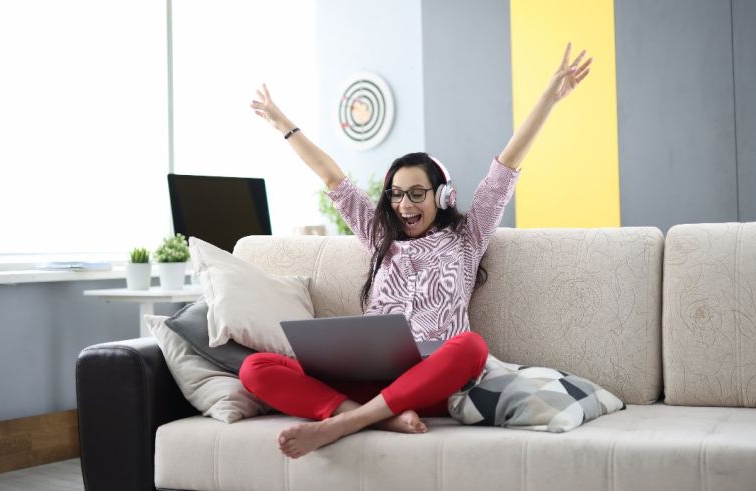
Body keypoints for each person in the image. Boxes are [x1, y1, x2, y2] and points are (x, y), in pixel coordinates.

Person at [240, 43, 592, 459]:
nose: (405, 205)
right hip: (368, 381)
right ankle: (378, 417)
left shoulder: (467, 236)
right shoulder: (378, 237)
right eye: (396, 195)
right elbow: (331, 175)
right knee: (254, 368)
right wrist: (283, 123)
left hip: (430, 386)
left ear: (442, 196)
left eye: (416, 193)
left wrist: (549, 98)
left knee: (471, 348)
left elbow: (506, 167)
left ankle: (342, 423)